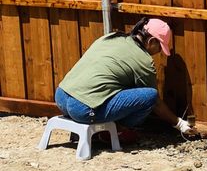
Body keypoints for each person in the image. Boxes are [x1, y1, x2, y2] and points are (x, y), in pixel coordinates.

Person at [55, 17, 197, 138]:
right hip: (83, 109)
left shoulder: (111, 38)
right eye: (160, 47)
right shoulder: (144, 61)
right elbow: (156, 103)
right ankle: (113, 132)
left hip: (61, 97)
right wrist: (179, 123)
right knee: (150, 96)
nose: (159, 51)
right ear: (151, 41)